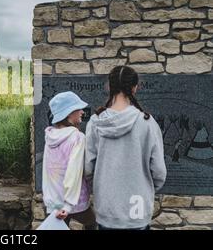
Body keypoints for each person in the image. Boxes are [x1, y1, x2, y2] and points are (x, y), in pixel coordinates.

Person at [85, 66, 167, 230]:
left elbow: (87, 169)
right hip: (138, 208)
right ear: (134, 88)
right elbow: (159, 171)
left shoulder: (95, 122)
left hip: (106, 208)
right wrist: (146, 187)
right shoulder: (147, 123)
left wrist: (101, 187)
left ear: (109, 87)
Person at [42, 91, 96, 230]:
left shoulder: (50, 136)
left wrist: (52, 204)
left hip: (55, 203)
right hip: (74, 201)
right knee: (92, 222)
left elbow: (48, 174)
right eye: (78, 109)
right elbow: (74, 172)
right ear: (69, 113)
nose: (82, 112)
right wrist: (68, 205)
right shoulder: (77, 138)